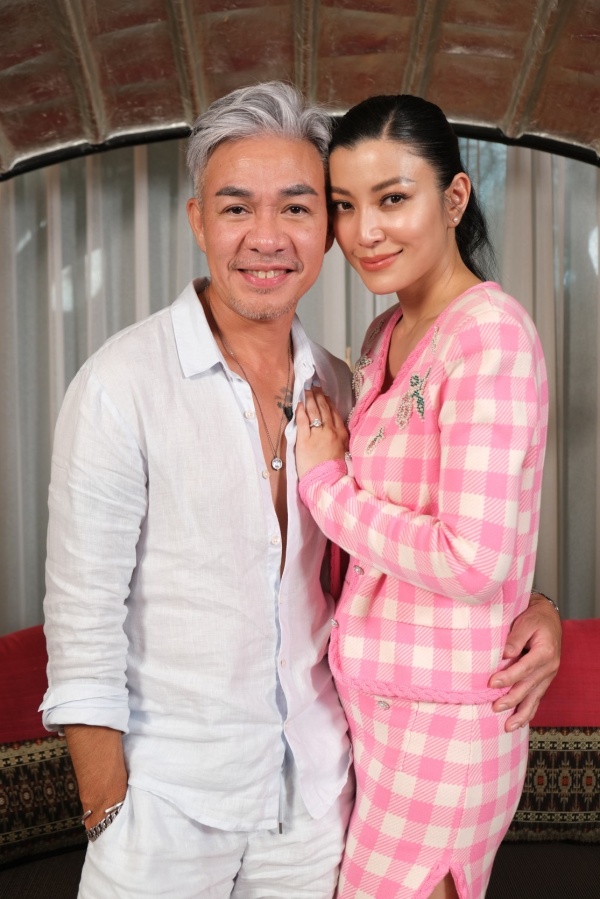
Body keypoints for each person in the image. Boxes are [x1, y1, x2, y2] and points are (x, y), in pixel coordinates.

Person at [40, 83, 559, 899]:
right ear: (197, 220)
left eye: (298, 207)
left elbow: (459, 531)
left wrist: (535, 603)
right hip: (168, 812)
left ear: (321, 230)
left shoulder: (343, 383)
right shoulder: (122, 386)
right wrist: (109, 812)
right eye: (236, 208)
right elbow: (81, 622)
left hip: (320, 800)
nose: (267, 237)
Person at [295, 93, 551, 899]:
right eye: (345, 205)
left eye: (392, 198)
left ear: (454, 197)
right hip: (378, 711)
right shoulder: (385, 336)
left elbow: (473, 559)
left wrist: (325, 486)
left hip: (445, 724)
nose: (364, 231)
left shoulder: (490, 336)